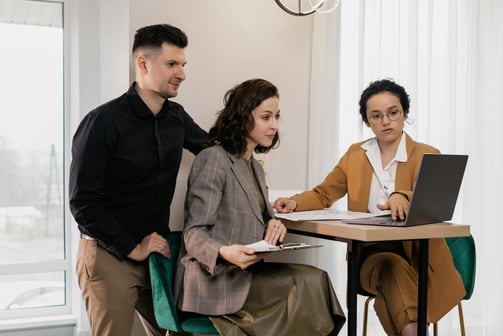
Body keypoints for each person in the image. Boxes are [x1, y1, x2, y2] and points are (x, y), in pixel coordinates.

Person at [274, 79, 465, 336]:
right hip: (369, 257)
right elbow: (323, 193)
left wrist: (403, 196)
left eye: (393, 112)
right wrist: (296, 202)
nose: (386, 120)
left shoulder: (427, 153)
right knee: (390, 267)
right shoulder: (356, 154)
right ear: (367, 121)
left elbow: (434, 200)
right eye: (376, 116)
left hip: (419, 258)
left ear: (405, 114)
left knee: (394, 285)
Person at [174, 78, 346, 335]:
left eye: (277, 117)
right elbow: (193, 233)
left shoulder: (254, 166)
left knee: (315, 279)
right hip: (215, 280)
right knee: (306, 285)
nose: (274, 125)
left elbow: (259, 216)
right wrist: (224, 251)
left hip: (246, 274)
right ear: (243, 117)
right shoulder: (213, 159)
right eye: (266, 117)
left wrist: (274, 224)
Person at [69, 24, 207, 336]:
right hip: (109, 255)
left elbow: (215, 149)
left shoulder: (177, 117)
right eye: (172, 64)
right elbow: (82, 202)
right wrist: (132, 247)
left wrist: (257, 130)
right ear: (143, 64)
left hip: (157, 253)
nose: (181, 74)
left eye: (183, 65)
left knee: (181, 331)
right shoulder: (102, 122)